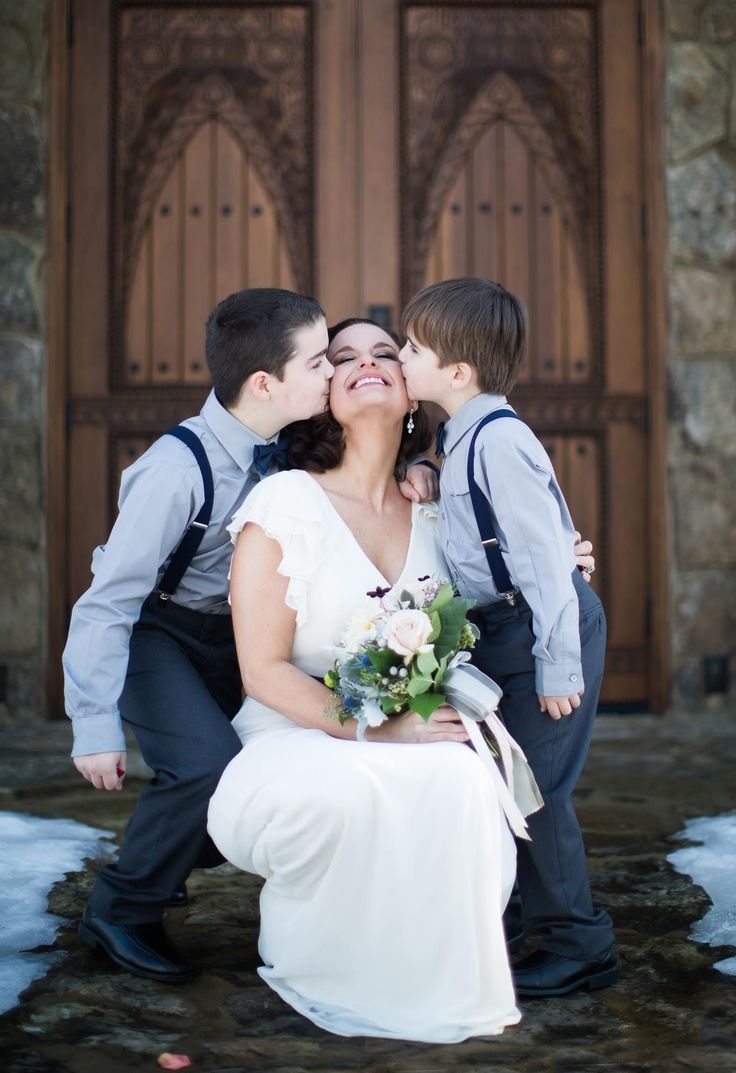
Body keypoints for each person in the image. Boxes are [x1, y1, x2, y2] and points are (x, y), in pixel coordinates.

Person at [63, 291, 437, 984]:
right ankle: (122, 909)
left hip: (238, 634)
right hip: (160, 632)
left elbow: (366, 458)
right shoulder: (178, 468)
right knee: (203, 764)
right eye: (323, 360)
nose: (337, 372)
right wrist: (94, 723)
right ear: (266, 382)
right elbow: (106, 602)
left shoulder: (285, 439)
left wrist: (425, 469)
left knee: (263, 754)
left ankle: (184, 849)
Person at [208, 318, 528, 1042]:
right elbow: (262, 671)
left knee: (466, 783)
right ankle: (334, 968)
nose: (366, 364)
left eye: (387, 352)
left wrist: (563, 555)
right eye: (342, 357)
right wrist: (379, 725)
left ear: (414, 390)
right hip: (293, 731)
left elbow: (511, 567)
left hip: (410, 720)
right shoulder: (286, 502)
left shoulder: (438, 510)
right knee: (356, 786)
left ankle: (438, 978)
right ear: (323, 393)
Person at [398, 277, 617, 998]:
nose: (401, 356)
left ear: (456, 373)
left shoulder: (501, 438)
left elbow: (546, 560)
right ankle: (531, 924)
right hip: (508, 628)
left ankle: (577, 941)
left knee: (539, 787)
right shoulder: (458, 435)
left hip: (543, 626)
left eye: (412, 347)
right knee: (507, 778)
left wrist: (558, 665)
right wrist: (424, 466)